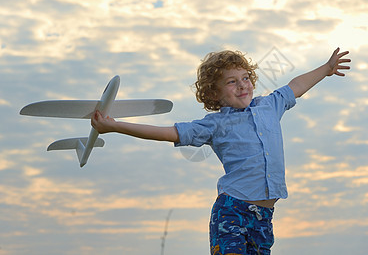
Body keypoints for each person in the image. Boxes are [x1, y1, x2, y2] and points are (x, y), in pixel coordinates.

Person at [91, 48, 350, 255]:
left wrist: (326, 69)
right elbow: (169, 132)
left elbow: (296, 84)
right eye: (231, 82)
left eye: (246, 78)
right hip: (232, 211)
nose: (242, 85)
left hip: (264, 217)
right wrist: (115, 127)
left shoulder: (270, 106)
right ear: (214, 94)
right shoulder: (215, 124)